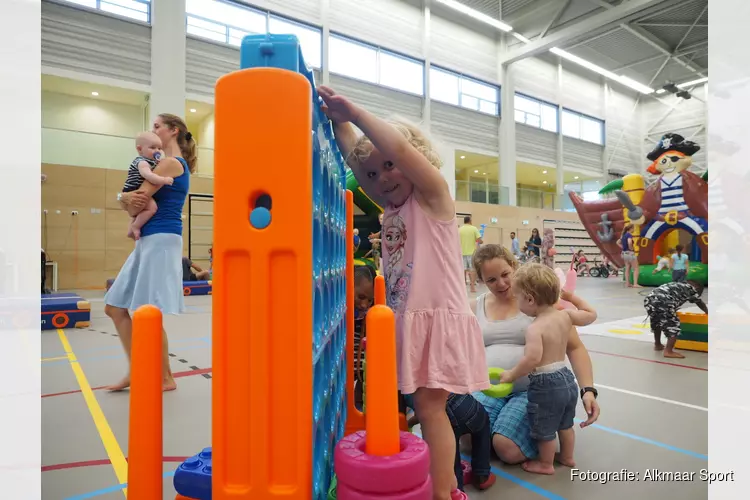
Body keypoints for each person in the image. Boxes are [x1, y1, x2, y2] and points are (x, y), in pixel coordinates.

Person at [320, 85, 489, 500]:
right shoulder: (392, 209)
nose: (382, 179)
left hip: (436, 317)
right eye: (375, 175)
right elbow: (360, 166)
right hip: (408, 319)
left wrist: (355, 113)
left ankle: (446, 491)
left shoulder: (433, 197)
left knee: (431, 410)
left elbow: (394, 148)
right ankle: (444, 485)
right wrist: (341, 126)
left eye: (391, 166)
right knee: (423, 408)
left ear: (414, 163)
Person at [469, 245, 601, 467]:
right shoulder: (474, 307)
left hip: (533, 392)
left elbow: (575, 347)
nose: (500, 284)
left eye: (505, 275)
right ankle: (503, 427)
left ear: (514, 267)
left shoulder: (542, 303)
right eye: (491, 280)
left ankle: (522, 435)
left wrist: (588, 390)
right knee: (467, 436)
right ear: (481, 280)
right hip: (489, 388)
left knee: (507, 449)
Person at [104, 113, 196, 392]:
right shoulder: (161, 164)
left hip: (161, 239)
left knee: (149, 312)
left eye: (157, 127)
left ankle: (166, 377)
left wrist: (123, 198)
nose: (152, 131)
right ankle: (138, 369)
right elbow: (131, 202)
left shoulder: (170, 163)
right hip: (150, 239)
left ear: (173, 130)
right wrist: (125, 199)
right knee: (114, 307)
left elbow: (134, 205)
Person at [499, 264, 597, 475]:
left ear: (531, 299)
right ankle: (568, 457)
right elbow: (591, 314)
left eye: (518, 298)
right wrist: (571, 297)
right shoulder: (566, 316)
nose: (516, 302)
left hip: (546, 383)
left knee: (544, 426)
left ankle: (545, 464)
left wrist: (512, 374)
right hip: (566, 378)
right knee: (565, 423)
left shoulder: (535, 327)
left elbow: (532, 359)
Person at [406, 394, 496, 492]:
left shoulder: (401, 387)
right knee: (482, 425)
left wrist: (408, 423)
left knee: (449, 457)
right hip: (462, 404)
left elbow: (424, 412)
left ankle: (456, 490)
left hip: (436, 417)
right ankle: (482, 474)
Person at [123, 132, 174, 240]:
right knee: (152, 208)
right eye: (152, 147)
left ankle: (130, 229)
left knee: (138, 212)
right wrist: (164, 180)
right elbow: (149, 176)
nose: (157, 151)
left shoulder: (151, 161)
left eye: (159, 148)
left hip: (134, 189)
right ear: (140, 149)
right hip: (134, 189)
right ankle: (136, 226)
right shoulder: (142, 162)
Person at [644, 279, 707, 358]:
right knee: (673, 325)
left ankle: (657, 344)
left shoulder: (675, 284)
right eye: (699, 293)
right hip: (665, 301)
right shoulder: (691, 288)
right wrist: (707, 312)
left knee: (657, 321)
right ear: (697, 288)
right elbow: (699, 302)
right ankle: (668, 351)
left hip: (649, 300)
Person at [353, 265, 375, 410]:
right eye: (360, 297)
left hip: (359, 388)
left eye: (369, 300)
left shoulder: (368, 319)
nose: (364, 305)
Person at [459, 216, 483, 292]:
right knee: (473, 269)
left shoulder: (459, 230)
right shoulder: (474, 228)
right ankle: (472, 287)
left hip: (461, 253)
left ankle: (462, 285)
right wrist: (481, 241)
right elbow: (479, 240)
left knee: (463, 269)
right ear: (470, 221)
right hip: (471, 252)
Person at [620, 223, 641, 287]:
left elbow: (617, 242)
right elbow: (629, 242)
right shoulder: (629, 235)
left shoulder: (623, 235)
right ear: (630, 229)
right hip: (630, 253)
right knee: (636, 268)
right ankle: (635, 284)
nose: (634, 229)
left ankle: (627, 283)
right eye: (633, 228)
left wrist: (623, 247)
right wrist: (631, 248)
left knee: (627, 268)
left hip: (624, 253)